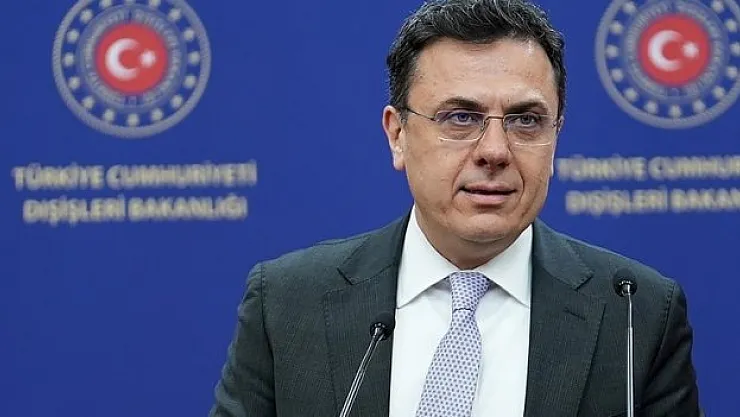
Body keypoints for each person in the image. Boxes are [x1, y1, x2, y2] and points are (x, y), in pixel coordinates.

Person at [208, 0, 702, 416]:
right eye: (461, 117)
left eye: (526, 120)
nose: (495, 151)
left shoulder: (635, 314)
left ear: (556, 135)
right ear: (397, 135)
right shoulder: (288, 303)